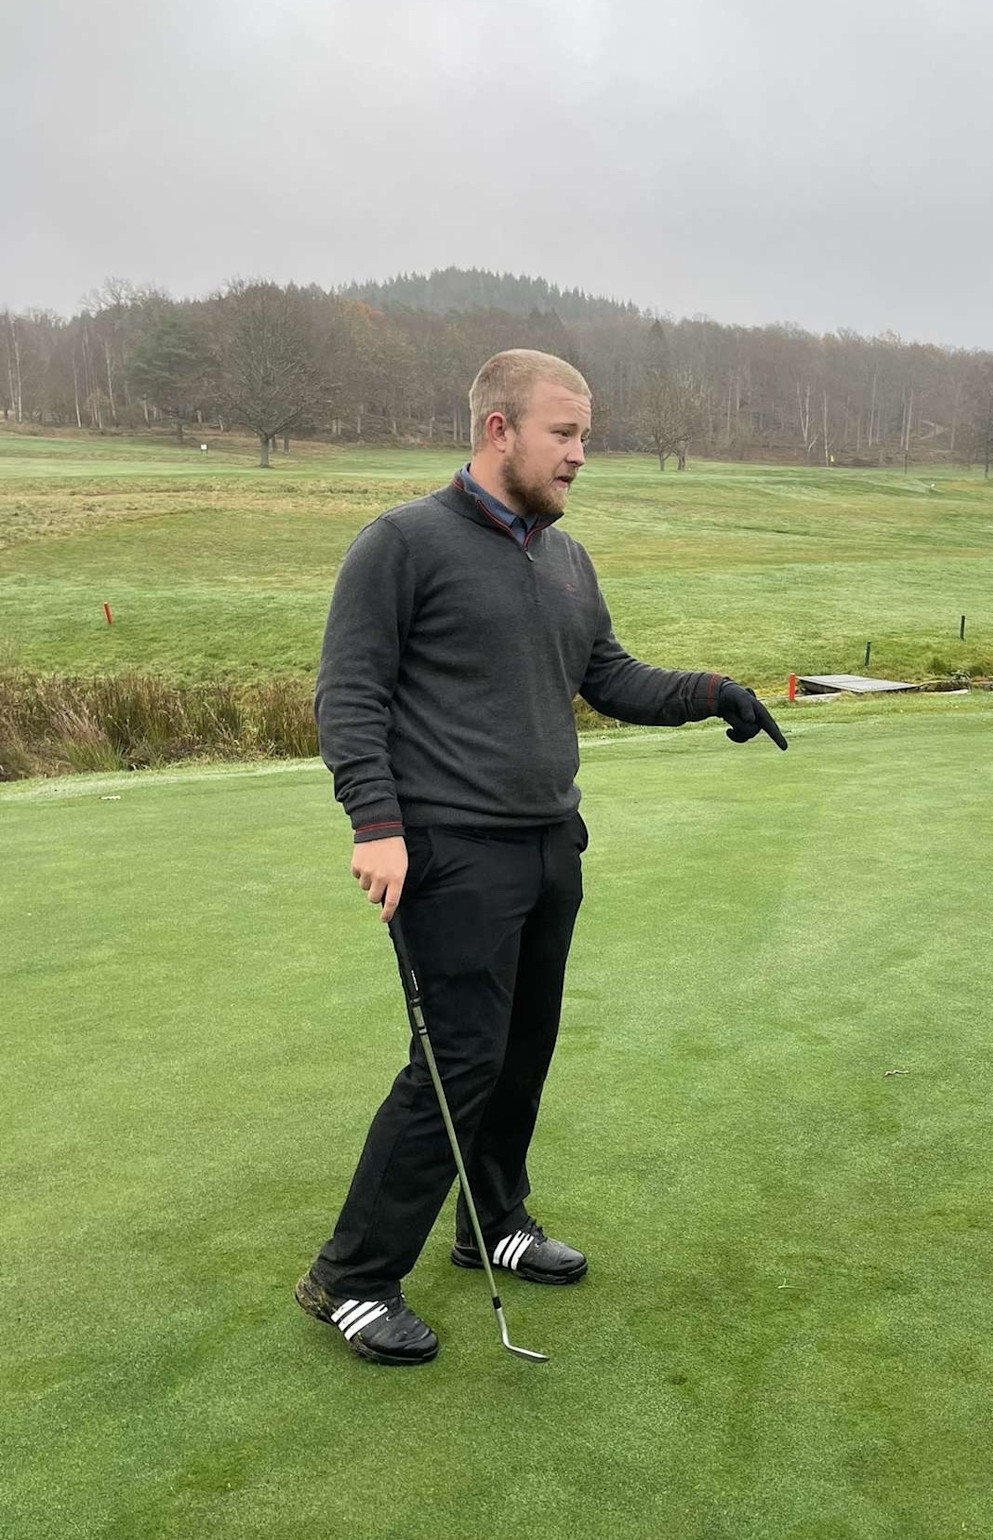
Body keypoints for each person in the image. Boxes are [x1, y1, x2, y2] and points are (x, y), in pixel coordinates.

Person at [295, 349, 786, 1365]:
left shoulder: (563, 557)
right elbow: (349, 695)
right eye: (563, 435)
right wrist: (374, 821)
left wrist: (712, 691)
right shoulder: (401, 544)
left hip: (547, 842)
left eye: (584, 438)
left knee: (522, 1051)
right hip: (449, 851)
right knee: (455, 1059)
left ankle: (492, 1221)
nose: (577, 457)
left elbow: (606, 675)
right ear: (498, 431)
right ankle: (353, 1273)